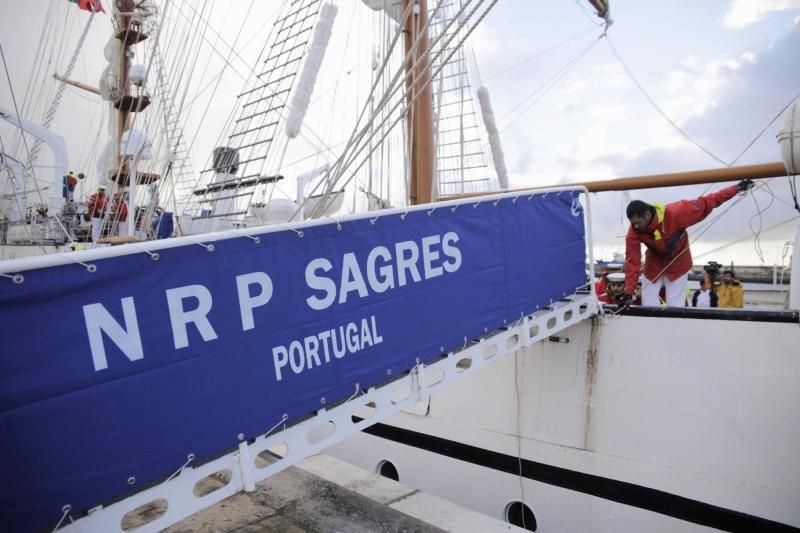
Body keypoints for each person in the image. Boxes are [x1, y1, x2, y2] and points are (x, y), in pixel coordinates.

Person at [623, 179, 754, 307]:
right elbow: (632, 262)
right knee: (648, 302)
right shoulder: (634, 231)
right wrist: (629, 292)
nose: (636, 227)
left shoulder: (677, 213)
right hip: (653, 264)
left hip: (678, 263)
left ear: (647, 215)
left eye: (637, 223)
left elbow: (708, 201)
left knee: (675, 303)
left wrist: (736, 188)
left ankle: (675, 326)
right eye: (633, 224)